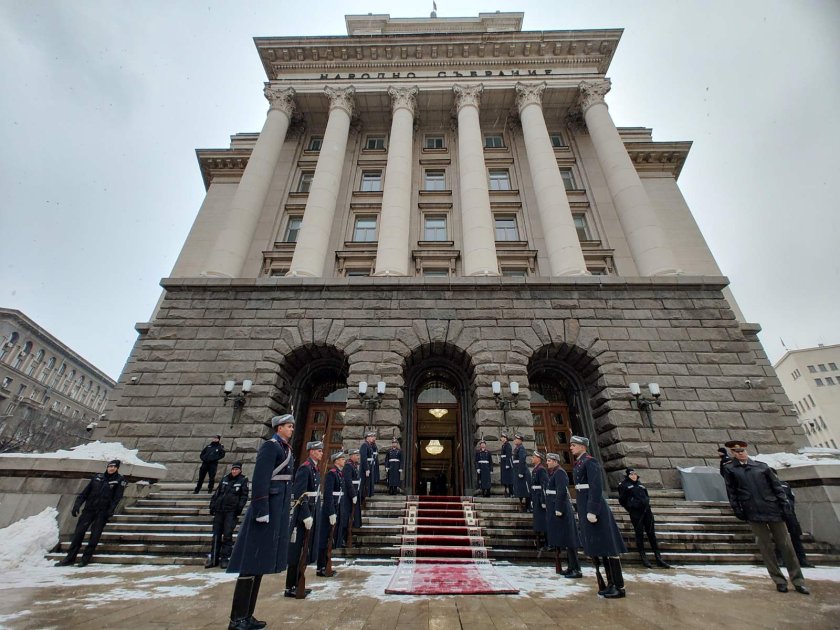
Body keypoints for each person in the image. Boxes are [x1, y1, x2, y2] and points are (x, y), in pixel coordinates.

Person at [226, 413, 295, 630]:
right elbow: (260, 479)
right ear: (279, 428)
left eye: (293, 426)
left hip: (277, 508)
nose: (292, 429)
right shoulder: (270, 447)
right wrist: (261, 508)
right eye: (288, 426)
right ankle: (237, 619)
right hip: (264, 510)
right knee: (250, 564)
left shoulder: (284, 448)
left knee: (259, 565)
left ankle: (248, 615)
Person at [721, 440, 809, 594]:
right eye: (736, 452)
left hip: (773, 509)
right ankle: (779, 580)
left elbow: (776, 487)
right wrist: (737, 509)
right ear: (731, 453)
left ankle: (798, 580)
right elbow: (732, 491)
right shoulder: (730, 469)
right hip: (752, 511)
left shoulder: (762, 467)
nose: (739, 453)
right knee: (765, 548)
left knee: (786, 546)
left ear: (746, 451)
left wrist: (784, 504)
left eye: (741, 450)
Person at [570, 435, 628, 599]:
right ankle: (610, 584)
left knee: (609, 548)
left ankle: (619, 586)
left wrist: (592, 510)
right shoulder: (579, 463)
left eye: (573, 445)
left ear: (583, 446)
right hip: (585, 506)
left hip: (597, 510)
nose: (571, 448)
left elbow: (595, 487)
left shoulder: (590, 462)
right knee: (602, 548)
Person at [55, 459, 126, 567]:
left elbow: (117, 498)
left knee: (95, 536)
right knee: (78, 534)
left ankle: (85, 559)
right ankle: (70, 558)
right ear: (107, 467)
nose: (111, 468)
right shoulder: (97, 477)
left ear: (117, 468)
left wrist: (110, 511)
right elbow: (85, 493)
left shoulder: (119, 480)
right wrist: (77, 505)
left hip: (102, 512)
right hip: (89, 510)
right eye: (110, 466)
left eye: (114, 467)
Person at [285, 440, 323, 598]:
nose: (321, 453)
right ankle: (290, 586)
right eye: (319, 451)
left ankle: (297, 583)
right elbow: (300, 494)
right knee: (296, 551)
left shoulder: (314, 469)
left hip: (311, 512)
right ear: (312, 451)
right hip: (303, 516)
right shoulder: (305, 468)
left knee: (304, 550)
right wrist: (306, 515)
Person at [617, 468, 671, 569]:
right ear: (628, 475)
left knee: (651, 534)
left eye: (635, 474)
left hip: (647, 512)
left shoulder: (640, 484)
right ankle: (643, 557)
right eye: (631, 474)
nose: (633, 475)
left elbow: (646, 496)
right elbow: (622, 500)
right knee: (639, 534)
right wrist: (631, 508)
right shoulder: (624, 485)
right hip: (636, 513)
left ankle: (658, 557)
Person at [206, 463, 250, 570]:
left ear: (240, 470)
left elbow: (244, 496)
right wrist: (212, 506)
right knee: (216, 535)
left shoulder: (243, 480)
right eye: (233, 469)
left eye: (236, 469)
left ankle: (225, 559)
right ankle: (214, 558)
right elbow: (217, 493)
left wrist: (238, 509)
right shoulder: (225, 479)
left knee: (227, 535)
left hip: (231, 512)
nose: (234, 471)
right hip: (219, 510)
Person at [545, 453, 581, 578]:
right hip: (556, 508)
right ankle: (571, 567)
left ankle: (576, 568)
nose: (547, 462)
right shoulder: (553, 472)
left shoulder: (560, 472)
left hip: (563, 510)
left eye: (549, 460)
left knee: (570, 540)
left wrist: (558, 508)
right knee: (565, 539)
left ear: (555, 461)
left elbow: (561, 491)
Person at [317, 451, 345, 576]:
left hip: (336, 506)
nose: (344, 460)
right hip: (329, 510)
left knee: (330, 538)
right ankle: (321, 567)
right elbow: (328, 495)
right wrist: (331, 512)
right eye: (342, 459)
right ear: (336, 461)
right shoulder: (331, 474)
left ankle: (326, 565)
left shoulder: (339, 474)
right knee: (324, 539)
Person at [777, 475, 815, 568]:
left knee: (796, 538)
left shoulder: (785, 485)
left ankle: (802, 559)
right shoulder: (766, 485)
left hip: (790, 515)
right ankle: (780, 558)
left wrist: (789, 507)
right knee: (780, 538)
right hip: (777, 515)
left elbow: (791, 498)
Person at [339, 449, 362, 548]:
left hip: (354, 494)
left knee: (351, 518)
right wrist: (353, 495)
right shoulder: (348, 466)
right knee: (346, 518)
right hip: (348, 497)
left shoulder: (353, 466)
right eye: (356, 455)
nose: (358, 457)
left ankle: (347, 538)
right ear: (351, 456)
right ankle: (342, 539)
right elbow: (348, 482)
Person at [530, 451, 549, 549]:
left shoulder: (541, 470)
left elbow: (544, 486)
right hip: (536, 497)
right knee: (539, 521)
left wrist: (543, 501)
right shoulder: (535, 469)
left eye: (533, 457)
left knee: (544, 521)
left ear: (539, 459)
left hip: (540, 498)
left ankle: (548, 542)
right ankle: (544, 542)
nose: (531, 458)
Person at [512, 433, 530, 512]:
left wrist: (521, 472)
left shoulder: (521, 448)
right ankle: (522, 505)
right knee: (519, 489)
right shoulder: (517, 448)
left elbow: (522, 460)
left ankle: (527, 506)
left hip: (522, 471)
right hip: (517, 470)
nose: (514, 440)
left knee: (525, 490)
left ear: (520, 440)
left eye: (516, 439)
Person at [359, 431, 379, 500]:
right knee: (365, 483)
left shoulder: (370, 445)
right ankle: (363, 497)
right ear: (367, 438)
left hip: (370, 466)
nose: (372, 438)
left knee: (369, 481)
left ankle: (367, 495)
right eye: (371, 437)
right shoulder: (364, 445)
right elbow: (364, 458)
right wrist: (366, 468)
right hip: (366, 467)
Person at [499, 432, 513, 497]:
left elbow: (508, 455)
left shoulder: (508, 445)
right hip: (503, 463)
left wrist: (507, 464)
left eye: (502, 437)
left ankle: (511, 492)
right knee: (504, 478)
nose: (501, 439)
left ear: (505, 438)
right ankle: (507, 491)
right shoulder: (504, 445)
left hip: (506, 464)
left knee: (508, 479)